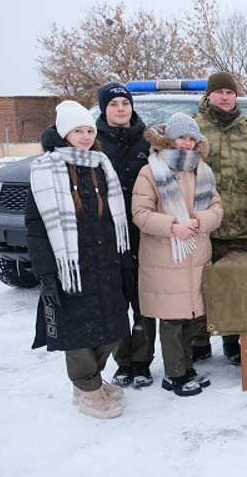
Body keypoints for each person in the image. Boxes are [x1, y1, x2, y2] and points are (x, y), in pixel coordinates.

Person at [26, 101, 132, 419]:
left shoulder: (101, 165)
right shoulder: (46, 168)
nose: (85, 136)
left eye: (89, 130)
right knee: (79, 330)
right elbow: (36, 226)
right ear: (64, 133)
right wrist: (45, 273)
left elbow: (114, 219)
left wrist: (124, 260)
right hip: (70, 265)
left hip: (105, 259)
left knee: (111, 327)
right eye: (77, 131)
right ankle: (86, 388)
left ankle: (92, 380)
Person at [132, 113, 223, 397]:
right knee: (171, 320)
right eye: (181, 137)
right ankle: (174, 374)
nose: (186, 143)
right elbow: (140, 213)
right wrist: (173, 227)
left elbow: (216, 206)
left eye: (191, 138)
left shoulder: (202, 170)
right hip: (165, 256)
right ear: (170, 139)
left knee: (187, 316)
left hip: (194, 254)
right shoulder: (151, 170)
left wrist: (201, 220)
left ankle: (186, 367)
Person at [191, 72, 247, 365]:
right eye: (219, 92)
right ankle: (198, 342)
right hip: (199, 228)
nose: (225, 97)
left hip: (241, 228)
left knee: (235, 289)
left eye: (230, 92)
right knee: (198, 288)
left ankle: (233, 341)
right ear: (209, 95)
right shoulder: (194, 130)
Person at [94, 81, 156, 389]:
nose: (121, 109)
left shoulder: (147, 142)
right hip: (108, 236)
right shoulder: (93, 143)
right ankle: (124, 362)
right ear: (104, 109)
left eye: (125, 104)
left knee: (143, 302)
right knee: (117, 303)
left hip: (144, 233)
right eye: (114, 104)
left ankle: (142, 362)